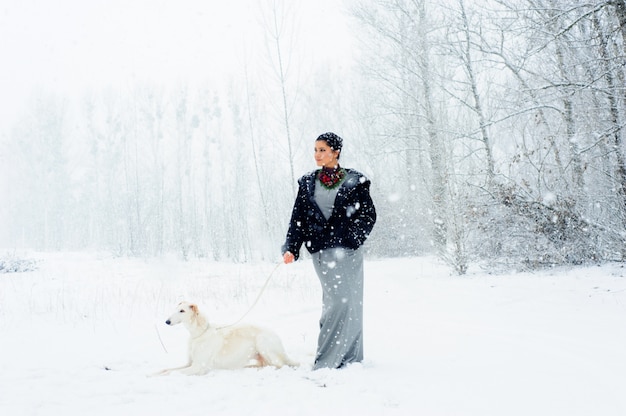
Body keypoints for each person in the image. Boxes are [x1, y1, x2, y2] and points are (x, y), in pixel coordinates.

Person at [282, 132, 376, 370]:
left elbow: (368, 216)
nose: (317, 154)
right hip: (322, 252)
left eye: (322, 150)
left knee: (351, 302)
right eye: (315, 150)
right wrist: (291, 247)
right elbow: (298, 218)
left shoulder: (355, 181)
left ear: (336, 152)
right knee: (336, 302)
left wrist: (352, 238)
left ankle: (351, 357)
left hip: (349, 252)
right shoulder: (307, 183)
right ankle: (327, 360)